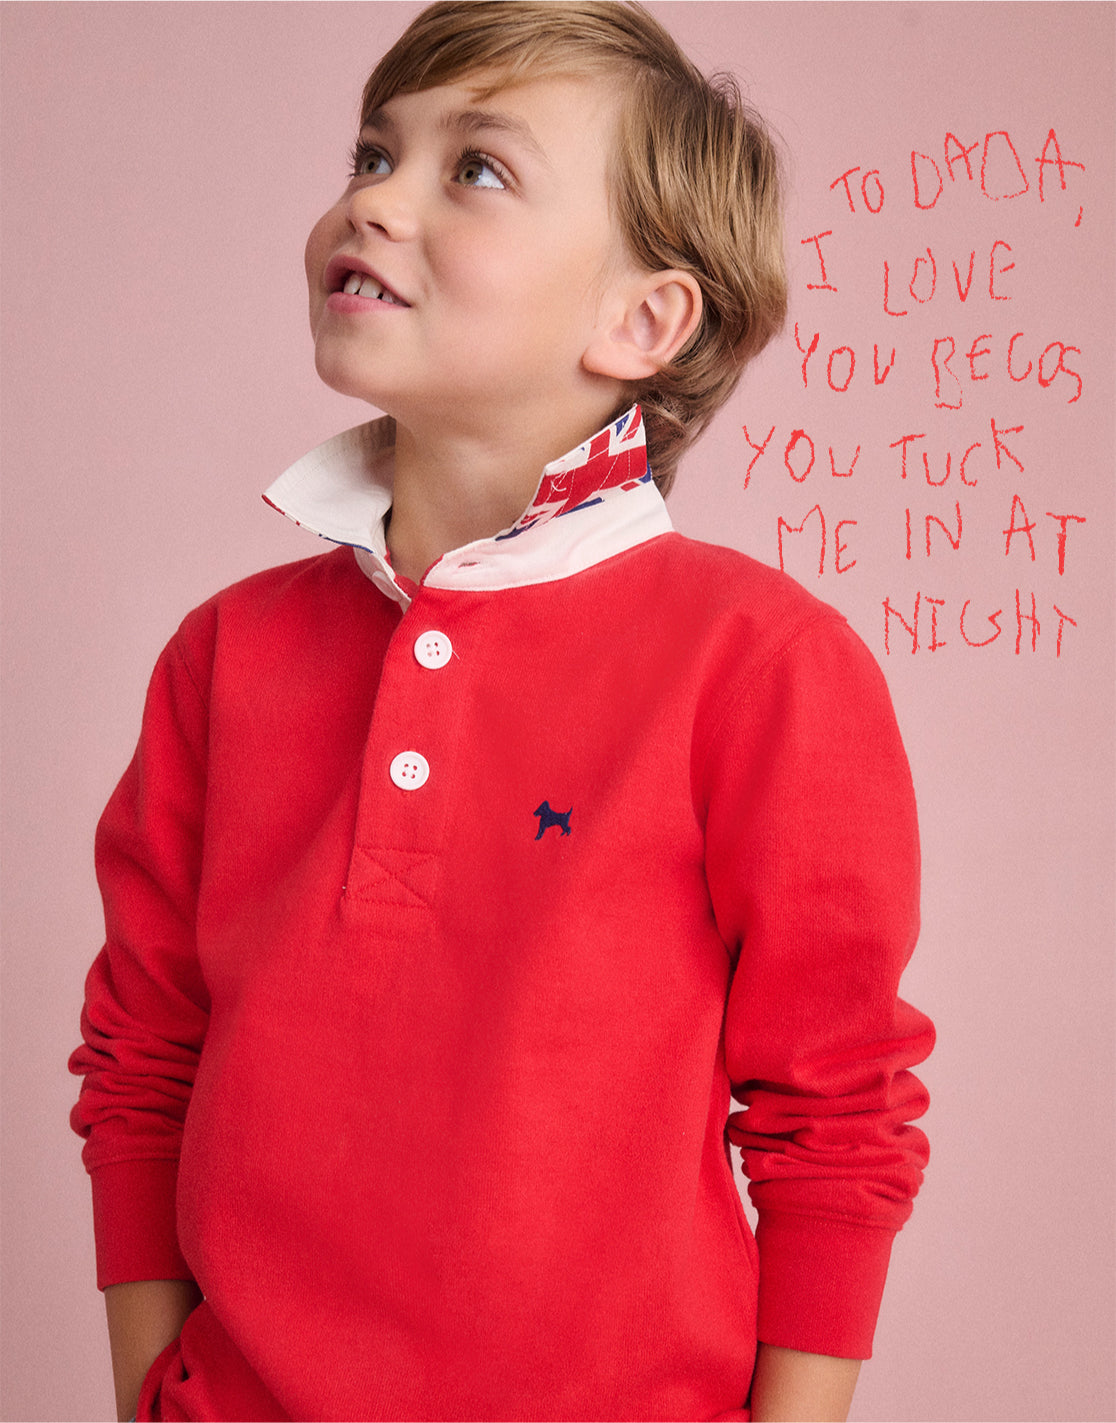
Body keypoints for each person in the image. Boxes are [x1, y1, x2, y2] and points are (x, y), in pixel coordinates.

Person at [70, 4, 934, 1420]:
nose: (373, 199)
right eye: (372, 150)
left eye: (474, 168)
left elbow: (835, 1116)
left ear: (643, 319)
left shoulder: (763, 663)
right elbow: (142, 1058)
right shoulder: (224, 658)